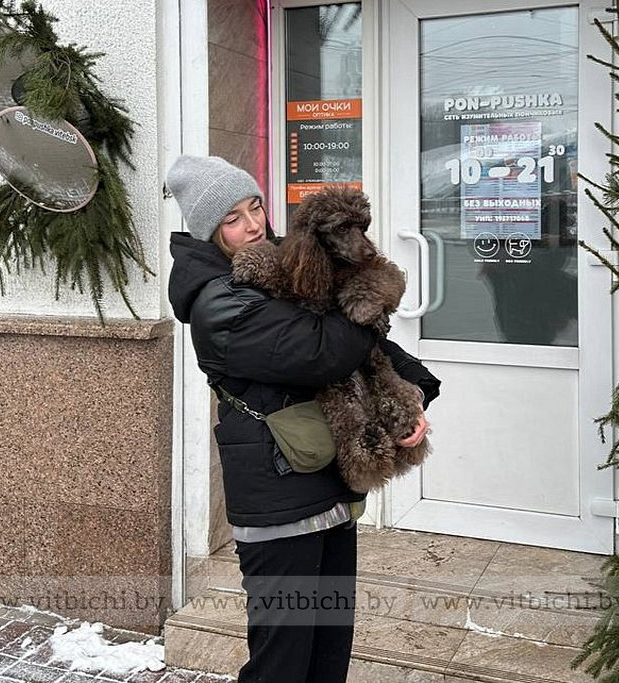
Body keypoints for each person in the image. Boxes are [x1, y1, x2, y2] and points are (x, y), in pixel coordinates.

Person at [166, 155, 440, 683]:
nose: (252, 225)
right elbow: (324, 351)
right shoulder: (218, 302)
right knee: (283, 660)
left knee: (329, 649)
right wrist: (369, 291)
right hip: (278, 497)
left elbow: (361, 343)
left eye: (256, 207)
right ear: (209, 231)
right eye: (232, 218)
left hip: (326, 487)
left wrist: (415, 392)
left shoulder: (282, 272)